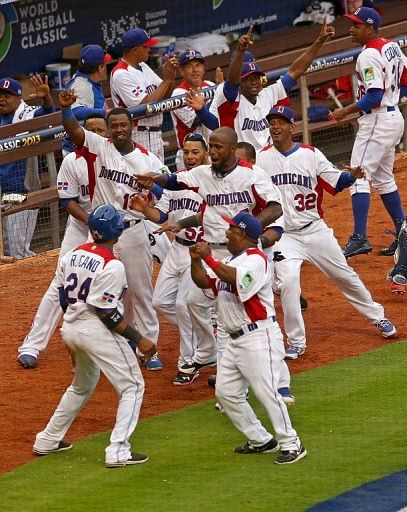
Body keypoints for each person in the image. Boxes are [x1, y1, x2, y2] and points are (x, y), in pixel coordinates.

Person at [134, 127, 295, 402]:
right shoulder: (202, 174)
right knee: (195, 302)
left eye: (219, 147)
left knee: (262, 317)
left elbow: (275, 207)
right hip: (213, 253)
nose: (214, 152)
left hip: (245, 256)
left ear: (232, 150)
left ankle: (280, 384)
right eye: (212, 147)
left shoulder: (251, 174)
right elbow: (174, 180)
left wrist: (251, 230)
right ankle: (211, 357)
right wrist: (154, 180)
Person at [256, 106, 397, 360]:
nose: (275, 127)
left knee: (345, 275)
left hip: (315, 231)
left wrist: (351, 177)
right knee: (288, 283)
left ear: (292, 127)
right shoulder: (261, 159)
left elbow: (337, 182)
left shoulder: (310, 155)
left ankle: (378, 317)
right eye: (272, 122)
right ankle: (296, 342)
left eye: (280, 122)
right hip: (284, 236)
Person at [33, 204, 156, 468]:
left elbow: (64, 296)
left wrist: (72, 334)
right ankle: (118, 451)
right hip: (95, 328)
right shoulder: (113, 266)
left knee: (82, 385)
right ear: (117, 231)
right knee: (133, 386)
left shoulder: (73, 254)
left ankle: (47, 439)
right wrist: (139, 339)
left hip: (72, 325)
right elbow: (106, 313)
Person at [59, 89, 168, 370]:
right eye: (114, 126)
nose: (119, 129)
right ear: (108, 129)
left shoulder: (147, 160)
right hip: (98, 234)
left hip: (132, 231)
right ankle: (97, 349)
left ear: (132, 127)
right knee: (94, 290)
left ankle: (149, 349)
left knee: (140, 293)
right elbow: (74, 130)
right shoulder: (99, 146)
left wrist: (153, 185)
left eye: (123, 125)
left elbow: (165, 190)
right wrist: (65, 110)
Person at [189, 211, 306, 464]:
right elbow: (203, 283)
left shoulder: (256, 260)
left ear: (241, 233)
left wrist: (208, 257)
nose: (226, 233)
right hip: (234, 339)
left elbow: (232, 278)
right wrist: (196, 260)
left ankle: (292, 443)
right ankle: (261, 439)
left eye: (230, 229)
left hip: (258, 335)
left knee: (267, 392)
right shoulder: (230, 260)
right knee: (226, 393)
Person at [17, 114, 108, 369]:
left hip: (116, 230)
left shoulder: (115, 157)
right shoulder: (72, 161)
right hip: (82, 226)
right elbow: (67, 201)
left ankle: (127, 340)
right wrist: (92, 222)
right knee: (61, 281)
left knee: (127, 281)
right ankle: (32, 346)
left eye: (101, 129)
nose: (96, 135)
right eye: (91, 130)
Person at [131, 133, 208, 385]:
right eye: (186, 152)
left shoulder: (210, 182)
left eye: (195, 152)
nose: (190, 156)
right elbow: (163, 216)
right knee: (161, 301)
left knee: (183, 306)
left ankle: (188, 362)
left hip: (198, 252)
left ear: (205, 153)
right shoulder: (178, 183)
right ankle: (205, 330)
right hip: (177, 251)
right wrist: (145, 210)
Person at [186, 22, 335, 150]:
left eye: (256, 77)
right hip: (243, 163)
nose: (254, 82)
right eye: (248, 78)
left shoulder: (268, 94)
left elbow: (296, 70)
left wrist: (319, 41)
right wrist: (239, 50)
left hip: (267, 159)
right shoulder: (231, 97)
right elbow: (230, 86)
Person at [333, 7, 407, 258]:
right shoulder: (391, 46)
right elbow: (405, 79)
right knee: (384, 179)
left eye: (356, 25)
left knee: (358, 175)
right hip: (393, 116)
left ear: (370, 27)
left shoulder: (368, 55)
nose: (351, 29)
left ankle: (359, 238)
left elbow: (374, 96)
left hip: (377, 119)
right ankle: (403, 234)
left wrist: (345, 111)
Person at [0, 75, 55, 259]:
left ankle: (31, 285)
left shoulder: (27, 114)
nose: (2, 99)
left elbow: (47, 117)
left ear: (18, 98)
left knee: (18, 251)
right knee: (5, 251)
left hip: (20, 193)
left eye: (7, 95)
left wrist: (46, 99)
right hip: (1, 194)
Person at [110, 27, 179, 161]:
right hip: (139, 134)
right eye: (146, 46)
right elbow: (144, 106)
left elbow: (165, 94)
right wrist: (166, 80)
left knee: (160, 179)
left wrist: (171, 77)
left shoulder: (143, 66)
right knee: (145, 179)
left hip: (155, 133)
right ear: (135, 50)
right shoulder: (121, 73)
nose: (149, 49)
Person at [62, 44, 112, 154]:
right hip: (77, 153)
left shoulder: (86, 81)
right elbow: (75, 111)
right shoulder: (82, 86)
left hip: (88, 147)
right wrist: (104, 112)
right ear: (100, 68)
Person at [170, 50, 215, 170]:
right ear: (182, 71)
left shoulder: (210, 85)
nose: (195, 70)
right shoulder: (178, 93)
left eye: (198, 65)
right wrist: (214, 101)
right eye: (189, 66)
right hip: (189, 154)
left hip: (210, 152)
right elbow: (197, 120)